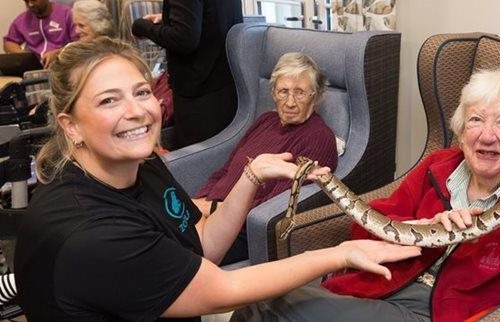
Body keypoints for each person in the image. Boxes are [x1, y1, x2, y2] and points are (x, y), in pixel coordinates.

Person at [13, 37, 421, 321]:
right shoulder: (92, 233)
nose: (137, 111)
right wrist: (340, 253)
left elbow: (202, 244)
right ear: (71, 126)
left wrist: (251, 176)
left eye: (141, 92)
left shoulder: (144, 166)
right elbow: (219, 288)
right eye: (108, 100)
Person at [231, 62, 500, 321]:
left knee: (265, 308)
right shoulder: (439, 167)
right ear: (460, 131)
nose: (486, 135)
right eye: (476, 120)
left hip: (434, 309)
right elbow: (362, 231)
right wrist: (422, 227)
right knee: (257, 299)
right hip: (379, 282)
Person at [193, 52, 338, 265]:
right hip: (210, 211)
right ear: (273, 93)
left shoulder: (319, 138)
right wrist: (202, 200)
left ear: (315, 97)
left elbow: (279, 205)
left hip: (241, 231)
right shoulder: (266, 120)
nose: (289, 102)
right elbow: (226, 170)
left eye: (300, 93)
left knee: (168, 253)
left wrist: (213, 209)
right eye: (283, 91)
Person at [131, 0, 243, 148]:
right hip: (227, 81)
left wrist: (142, 27)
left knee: (197, 158)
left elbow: (183, 39)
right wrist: (171, 19)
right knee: (221, 154)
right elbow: (214, 17)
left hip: (198, 90)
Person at [3, 0, 78, 68]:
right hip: (34, 69)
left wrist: (59, 53)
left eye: (34, 0)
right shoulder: (22, 19)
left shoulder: (68, 14)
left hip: (62, 66)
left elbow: (80, 43)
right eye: (26, 1)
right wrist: (23, 56)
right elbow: (9, 42)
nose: (30, 4)